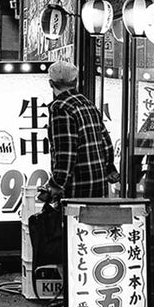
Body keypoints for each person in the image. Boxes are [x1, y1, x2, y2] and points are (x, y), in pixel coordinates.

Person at [40, 59, 119, 201]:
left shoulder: (61, 109)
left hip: (76, 188)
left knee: (73, 223)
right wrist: (109, 169)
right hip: (98, 184)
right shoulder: (88, 104)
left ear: (51, 84)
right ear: (75, 82)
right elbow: (106, 142)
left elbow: (66, 153)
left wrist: (56, 185)